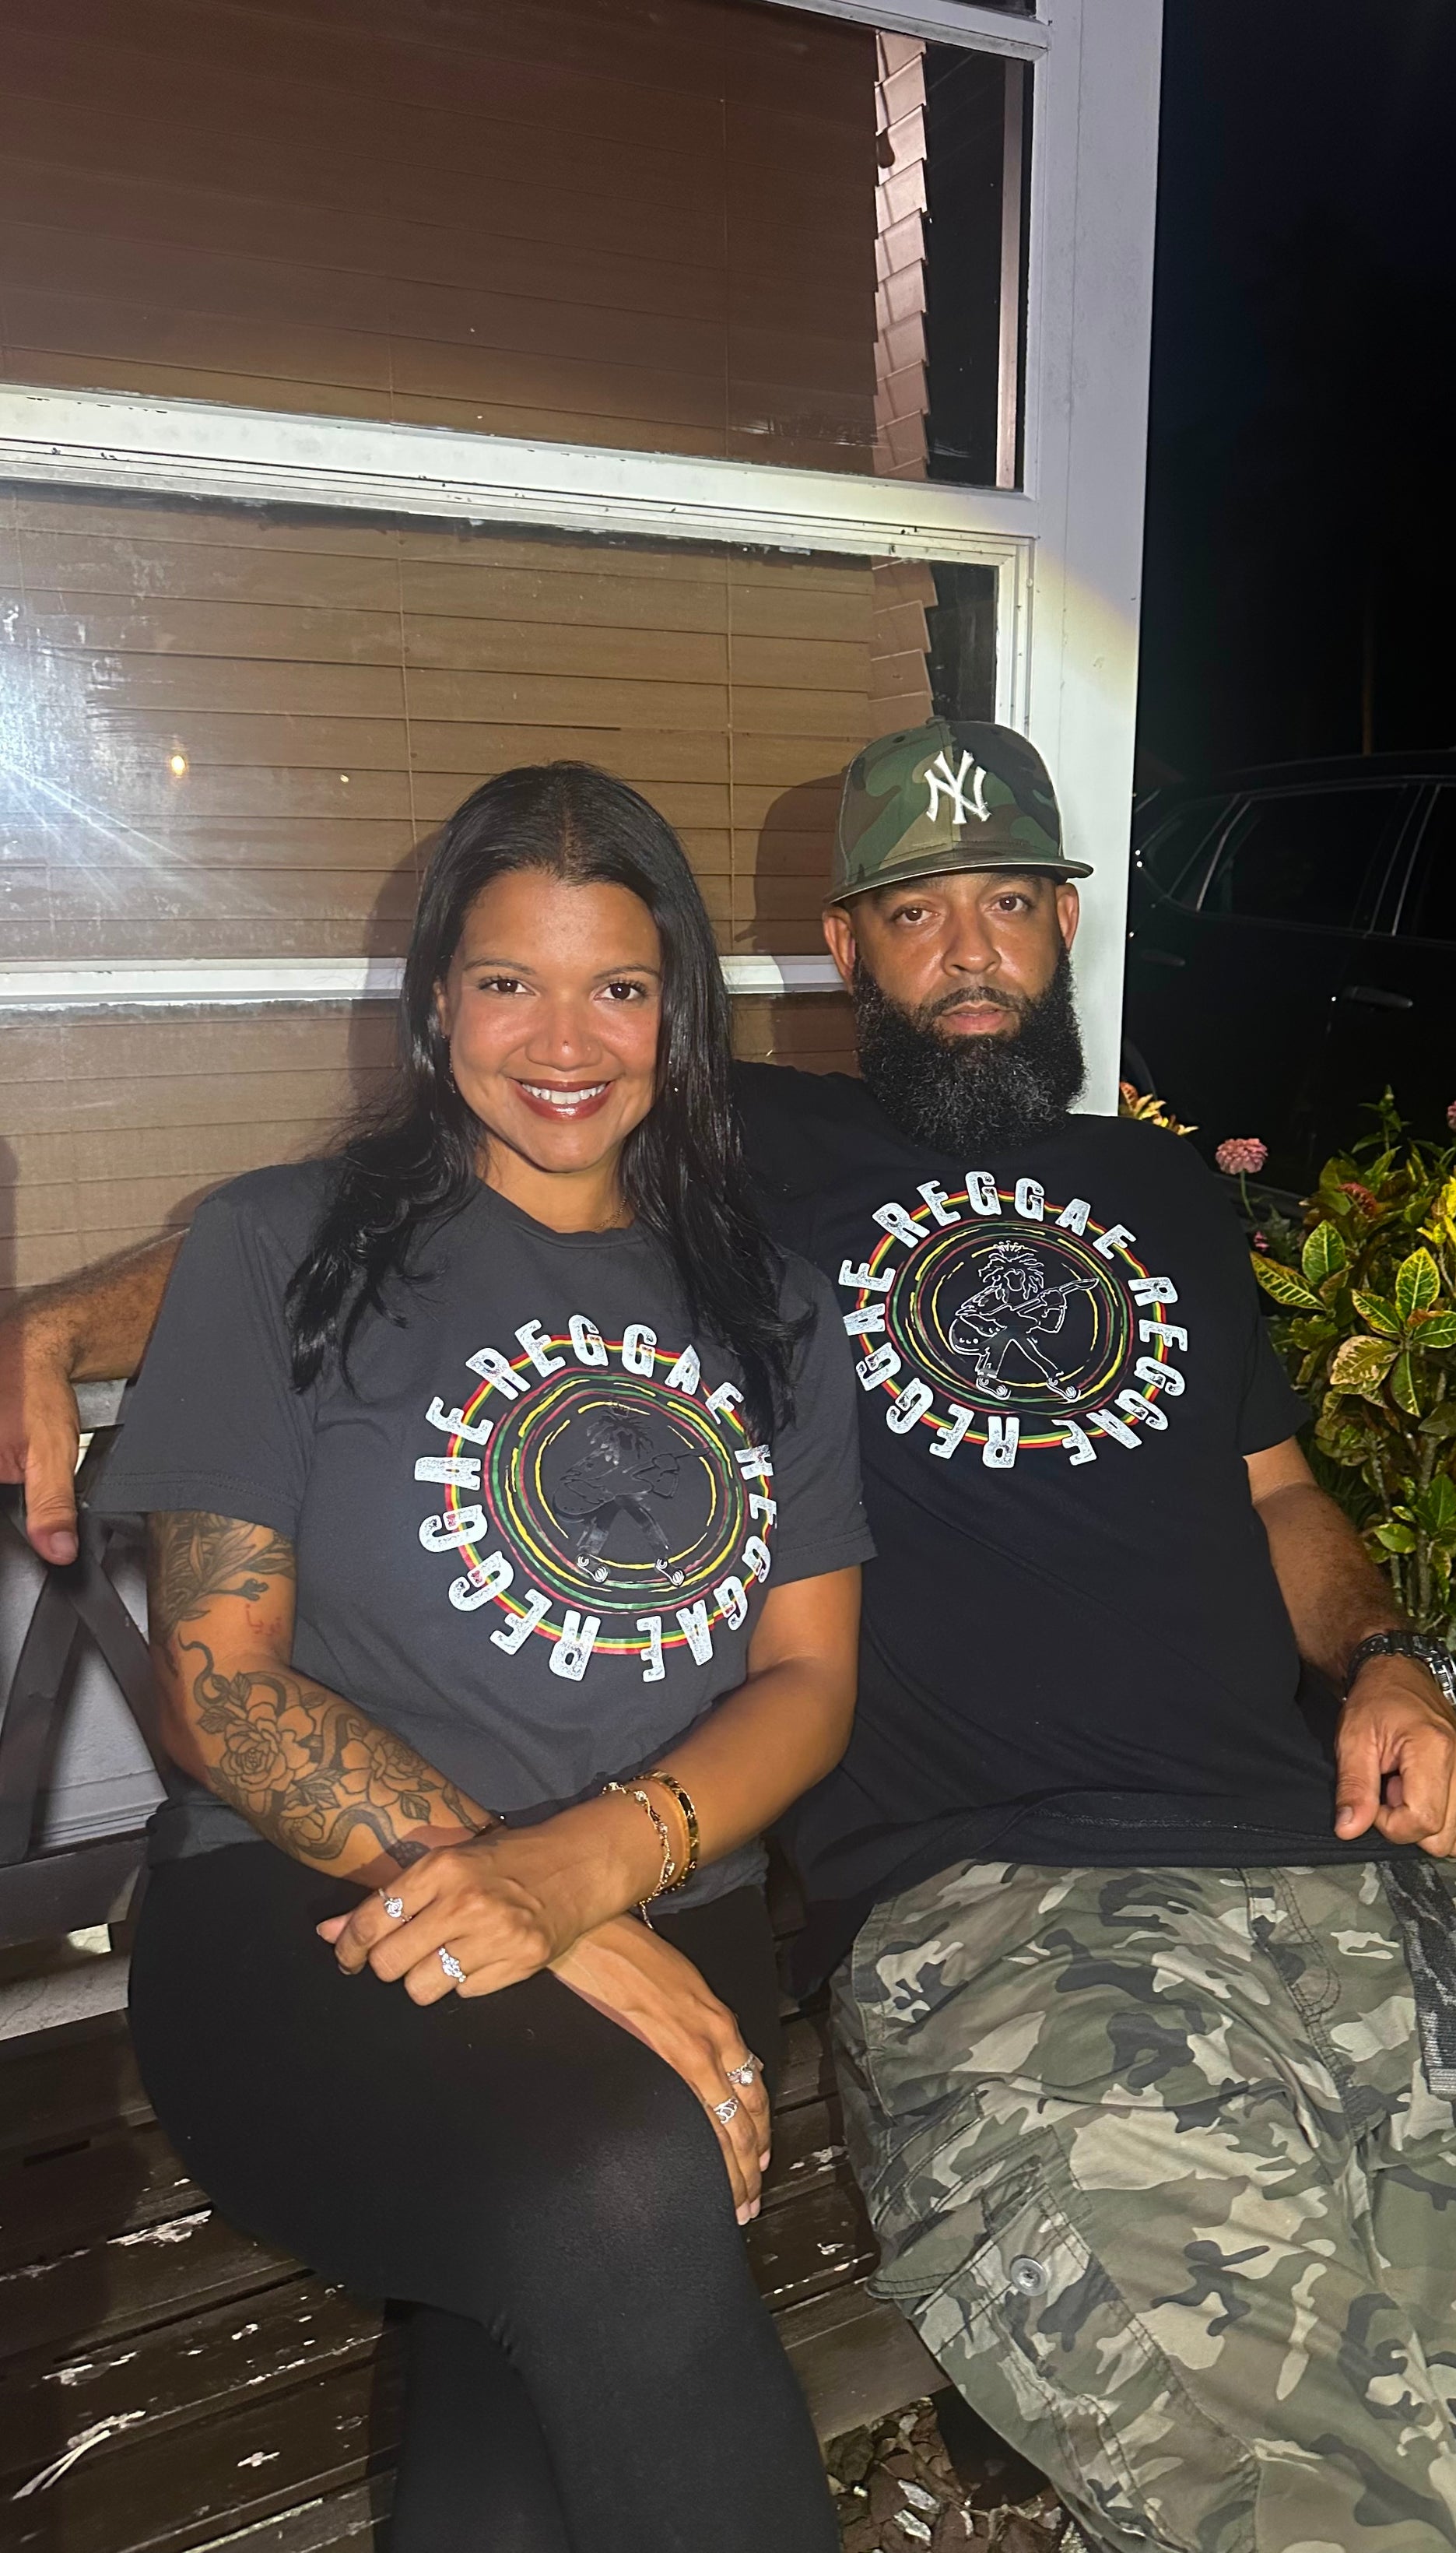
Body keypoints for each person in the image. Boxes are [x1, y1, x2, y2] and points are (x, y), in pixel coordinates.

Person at [5, 718, 1456, 2549]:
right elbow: (316, 1288)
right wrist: (55, 1319)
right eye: (917, 908)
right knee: (627, 2206)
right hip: (824, 1899)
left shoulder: (920, 1252)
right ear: (842, 943)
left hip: (1132, 1859)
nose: (969, 949)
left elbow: (1208, 1521)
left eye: (1010, 900)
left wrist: (1387, 1657)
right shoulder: (680, 1168)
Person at [20, 764, 872, 2553]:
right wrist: (523, 1892)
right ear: (434, 999)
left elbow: (809, 1680)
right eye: (508, 982)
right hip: (315, 1913)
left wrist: (584, 1873)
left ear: (678, 1011)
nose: (564, 1040)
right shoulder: (282, 1249)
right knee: (616, 2185)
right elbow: (220, 1688)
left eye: (617, 986)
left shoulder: (775, 1305)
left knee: (548, 2343)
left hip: (673, 1906)